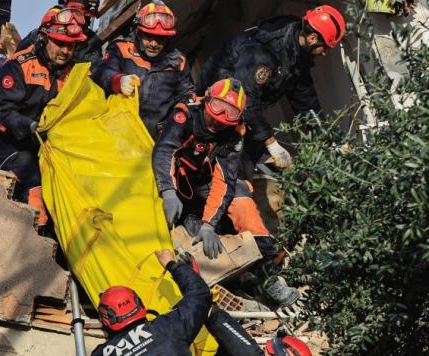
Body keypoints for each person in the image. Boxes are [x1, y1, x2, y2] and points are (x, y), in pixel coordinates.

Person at [153, 78, 299, 306]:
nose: (217, 124)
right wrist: (168, 191)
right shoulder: (185, 115)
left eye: (225, 120)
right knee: (184, 235)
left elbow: (224, 179)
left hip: (204, 185)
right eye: (214, 116)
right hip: (173, 182)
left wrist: (209, 224)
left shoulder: (233, 133)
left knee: (242, 198)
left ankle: (269, 277)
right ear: (207, 101)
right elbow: (164, 152)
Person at [198, 5, 346, 169]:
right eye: (324, 46)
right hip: (217, 108)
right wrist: (271, 143)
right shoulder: (265, 51)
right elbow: (246, 98)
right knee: (230, 164)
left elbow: (306, 102)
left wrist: (328, 139)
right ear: (312, 38)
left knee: (247, 160)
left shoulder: (296, 53)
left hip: (243, 111)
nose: (324, 52)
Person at [0, 6, 86, 231]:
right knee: (35, 188)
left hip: (43, 145)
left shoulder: (74, 74)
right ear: (44, 37)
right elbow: (1, 114)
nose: (66, 50)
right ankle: (27, 242)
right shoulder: (19, 66)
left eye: (71, 45)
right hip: (4, 139)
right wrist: (30, 126)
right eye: (60, 43)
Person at [92, 0, 194, 139]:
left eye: (160, 38)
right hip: (115, 135)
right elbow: (100, 72)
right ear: (139, 32)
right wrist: (118, 80)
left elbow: (186, 95)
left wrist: (178, 118)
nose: (153, 43)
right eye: (148, 36)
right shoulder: (122, 49)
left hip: (152, 140)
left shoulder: (179, 61)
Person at [92, 249, 211, 356]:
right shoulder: (169, 326)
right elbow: (199, 294)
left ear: (106, 320)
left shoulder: (101, 353)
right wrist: (171, 264)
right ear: (140, 305)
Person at [16, 0, 102, 64]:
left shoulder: (92, 42)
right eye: (59, 43)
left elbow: (94, 74)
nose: (65, 50)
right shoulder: (37, 36)